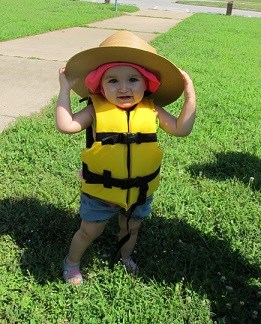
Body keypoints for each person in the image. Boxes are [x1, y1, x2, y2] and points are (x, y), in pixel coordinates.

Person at [55, 31, 196, 285]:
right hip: (101, 191)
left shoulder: (151, 109)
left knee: (131, 227)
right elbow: (67, 125)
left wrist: (190, 98)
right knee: (90, 230)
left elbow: (180, 129)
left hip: (140, 190)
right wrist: (64, 90)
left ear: (147, 85)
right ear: (99, 86)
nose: (123, 87)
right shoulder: (95, 110)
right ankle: (72, 262)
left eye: (133, 79)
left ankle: (125, 256)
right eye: (113, 81)